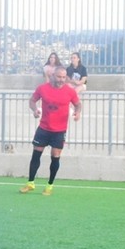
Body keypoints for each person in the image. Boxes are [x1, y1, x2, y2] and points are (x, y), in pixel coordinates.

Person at [20, 65, 82, 196]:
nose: (61, 80)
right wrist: (34, 110)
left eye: (64, 77)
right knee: (36, 155)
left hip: (59, 131)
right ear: (53, 76)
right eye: (59, 77)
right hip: (44, 128)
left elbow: (78, 104)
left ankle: (49, 185)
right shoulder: (42, 88)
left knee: (55, 157)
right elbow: (32, 101)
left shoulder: (70, 91)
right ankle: (30, 183)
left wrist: (78, 113)